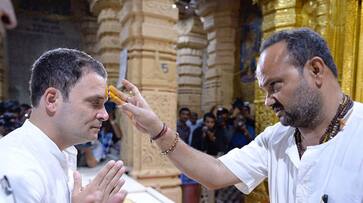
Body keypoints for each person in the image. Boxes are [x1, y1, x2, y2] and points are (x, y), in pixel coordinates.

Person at [116, 28, 363, 203]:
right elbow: (215, 173)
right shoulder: (276, 139)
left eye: (275, 86)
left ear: (316, 70)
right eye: (265, 90)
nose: (267, 101)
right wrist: (157, 130)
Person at [0, 48, 126, 203]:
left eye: (104, 105)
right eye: (95, 103)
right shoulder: (18, 171)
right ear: (52, 100)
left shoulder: (64, 151)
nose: (105, 115)